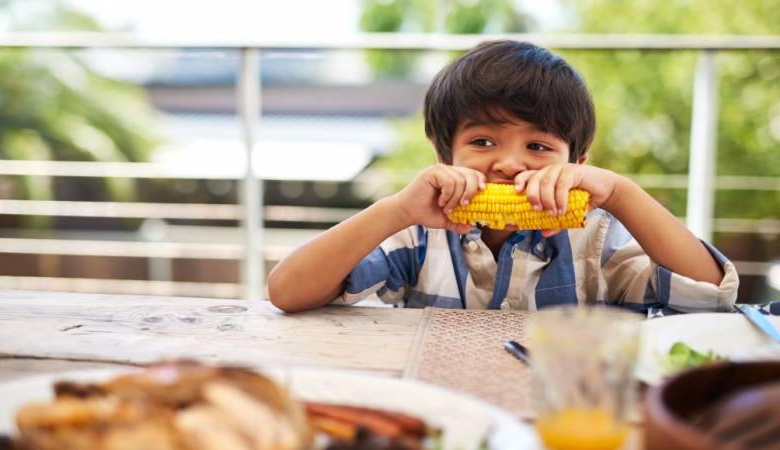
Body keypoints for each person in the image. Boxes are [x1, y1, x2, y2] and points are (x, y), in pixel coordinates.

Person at [267, 40, 738, 313]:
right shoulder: (417, 234)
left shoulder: (596, 237)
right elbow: (288, 292)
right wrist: (394, 210)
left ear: (578, 165)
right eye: (483, 142)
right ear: (442, 154)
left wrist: (621, 193)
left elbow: (708, 298)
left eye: (537, 146)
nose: (510, 164)